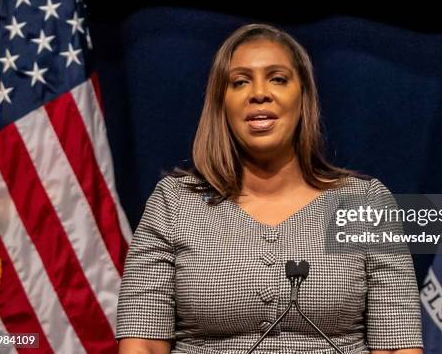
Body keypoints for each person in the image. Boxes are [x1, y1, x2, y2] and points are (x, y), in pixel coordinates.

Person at [116, 23, 423, 354]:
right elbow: (143, 343)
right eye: (240, 82)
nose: (259, 93)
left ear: (303, 96)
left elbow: (396, 345)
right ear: (222, 103)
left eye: (278, 78)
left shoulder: (363, 201)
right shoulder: (174, 202)